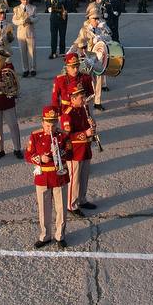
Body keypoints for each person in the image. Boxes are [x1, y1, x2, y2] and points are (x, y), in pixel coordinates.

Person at [26, 105, 70, 248]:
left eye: (53, 125)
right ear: (42, 123)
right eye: (47, 125)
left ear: (57, 123)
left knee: (61, 208)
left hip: (59, 176)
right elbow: (27, 155)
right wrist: (39, 158)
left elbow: (71, 153)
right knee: (44, 209)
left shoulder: (63, 135)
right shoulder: (35, 135)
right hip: (43, 176)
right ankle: (45, 236)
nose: (50, 129)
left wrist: (61, 152)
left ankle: (60, 236)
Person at [59, 84, 97, 217]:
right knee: (74, 180)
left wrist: (92, 127)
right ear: (73, 99)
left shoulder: (83, 109)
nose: (84, 99)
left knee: (84, 177)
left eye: (84, 96)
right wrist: (85, 133)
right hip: (75, 152)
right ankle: (71, 205)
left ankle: (82, 199)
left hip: (85, 149)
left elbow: (87, 127)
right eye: (81, 97)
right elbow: (66, 136)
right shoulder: (67, 115)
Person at [13, 0, 38, 78]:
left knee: (32, 51)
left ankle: (33, 68)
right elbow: (14, 20)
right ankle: (25, 69)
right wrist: (22, 21)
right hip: (21, 33)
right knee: (23, 52)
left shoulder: (33, 8)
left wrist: (31, 20)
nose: (25, 0)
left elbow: (36, 18)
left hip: (30, 31)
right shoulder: (16, 9)